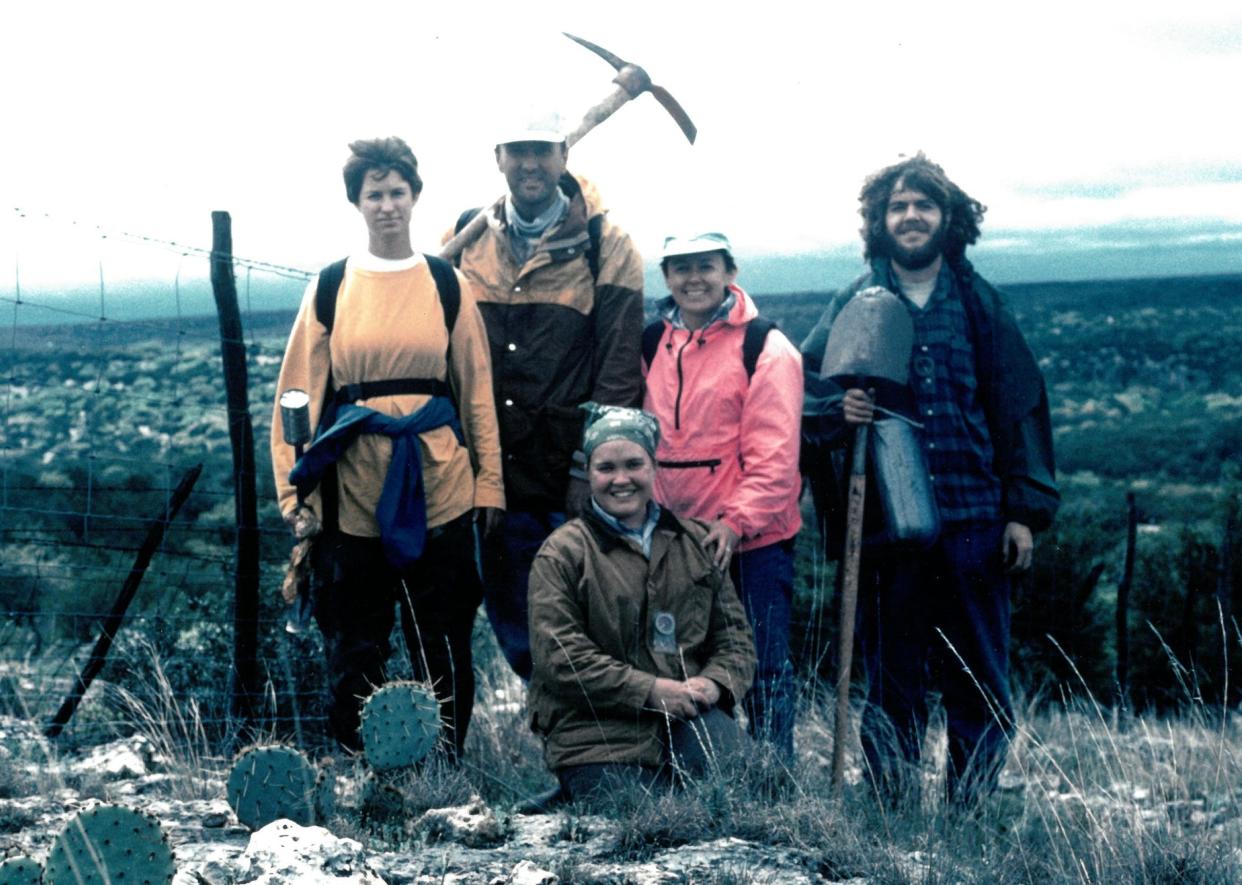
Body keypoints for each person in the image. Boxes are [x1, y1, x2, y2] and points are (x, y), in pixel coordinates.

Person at [801, 153, 1058, 804]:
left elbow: (1019, 404)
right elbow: (805, 388)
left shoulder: (978, 302)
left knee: (979, 674)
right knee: (895, 675)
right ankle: (891, 806)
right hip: (890, 524)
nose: (911, 216)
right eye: (898, 206)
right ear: (879, 222)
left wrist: (1023, 511)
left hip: (976, 519)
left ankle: (968, 807)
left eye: (925, 205)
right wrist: (839, 409)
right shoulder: (857, 302)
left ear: (949, 219)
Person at [271, 137, 505, 760]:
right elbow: (297, 391)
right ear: (357, 202)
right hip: (353, 489)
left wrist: (489, 485)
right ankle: (359, 765)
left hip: (442, 483)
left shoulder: (447, 285)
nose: (387, 205)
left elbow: (476, 391)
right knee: (354, 638)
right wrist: (295, 496)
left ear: (415, 197)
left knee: (443, 634)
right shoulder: (331, 287)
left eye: (397, 191)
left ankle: (446, 766)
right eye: (374, 193)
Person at [449, 113, 645, 681]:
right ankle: (559, 748)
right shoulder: (468, 237)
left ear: (564, 156)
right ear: (498, 158)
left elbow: (617, 373)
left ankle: (598, 758)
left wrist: (591, 467)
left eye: (541, 151)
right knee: (517, 626)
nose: (530, 164)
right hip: (490, 473)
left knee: (589, 625)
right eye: (517, 151)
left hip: (568, 475)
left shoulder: (606, 244)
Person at [527, 404, 756, 805]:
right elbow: (560, 658)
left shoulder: (697, 543)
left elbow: (735, 640)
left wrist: (715, 684)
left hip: (687, 718)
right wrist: (648, 691)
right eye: (606, 468)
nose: (621, 480)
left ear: (654, 467)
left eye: (633, 464)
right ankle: (571, 790)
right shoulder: (562, 554)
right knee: (646, 819)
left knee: (754, 790)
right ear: (589, 473)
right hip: (594, 732)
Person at [641, 232, 804, 758]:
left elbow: (775, 457)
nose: (693, 278)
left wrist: (734, 523)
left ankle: (775, 788)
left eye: (706, 266)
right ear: (665, 276)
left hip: (749, 542)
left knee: (763, 666)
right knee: (687, 665)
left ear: (729, 271)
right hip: (675, 541)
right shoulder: (652, 344)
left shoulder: (766, 347)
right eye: (680, 267)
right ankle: (712, 779)